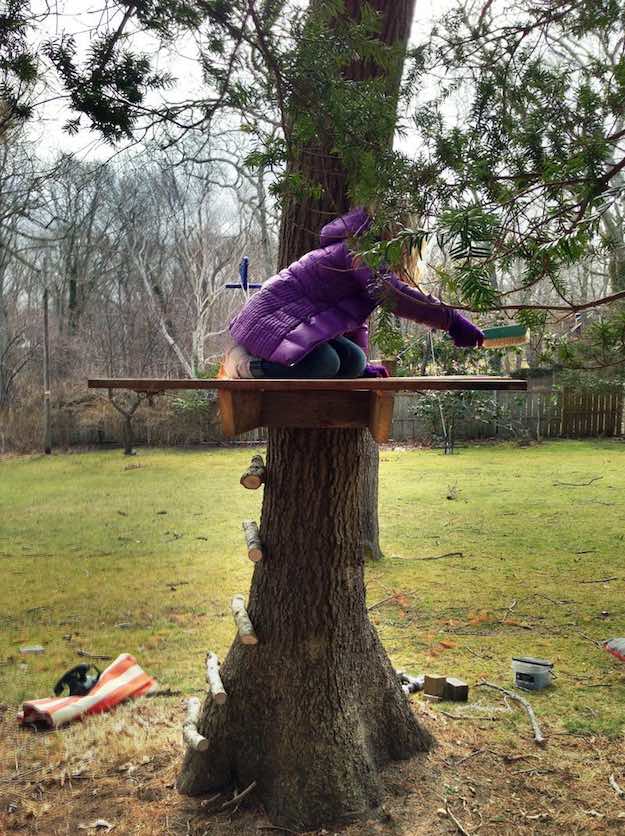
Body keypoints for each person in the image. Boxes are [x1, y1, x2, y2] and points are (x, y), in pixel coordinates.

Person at [224, 207, 483, 379]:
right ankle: (243, 364)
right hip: (268, 323)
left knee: (353, 361)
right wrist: (451, 320)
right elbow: (391, 293)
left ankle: (347, 364)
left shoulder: (361, 257)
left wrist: (361, 368)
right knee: (324, 363)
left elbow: (353, 320)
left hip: (294, 326)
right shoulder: (358, 252)